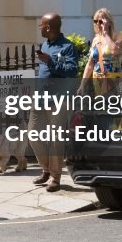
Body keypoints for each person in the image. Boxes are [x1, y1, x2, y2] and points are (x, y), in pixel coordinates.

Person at [31, 13, 78, 193]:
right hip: (40, 97)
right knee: (33, 134)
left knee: (56, 139)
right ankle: (46, 169)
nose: (40, 28)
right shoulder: (44, 45)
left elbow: (70, 71)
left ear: (49, 27)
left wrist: (50, 62)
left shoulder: (67, 47)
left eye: (41, 25)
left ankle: (55, 177)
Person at [82, 8, 122, 95]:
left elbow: (114, 51)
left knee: (113, 106)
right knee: (100, 106)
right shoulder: (96, 39)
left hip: (113, 80)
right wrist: (82, 84)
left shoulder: (118, 36)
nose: (98, 24)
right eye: (95, 21)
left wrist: (105, 33)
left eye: (101, 21)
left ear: (108, 22)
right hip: (98, 79)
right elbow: (90, 64)